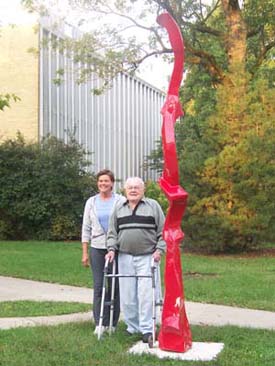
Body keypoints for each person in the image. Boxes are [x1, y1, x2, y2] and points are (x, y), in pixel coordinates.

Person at [105, 177, 166, 343]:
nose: (133, 190)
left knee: (146, 295)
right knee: (128, 296)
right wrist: (111, 249)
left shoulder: (153, 206)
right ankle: (133, 327)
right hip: (124, 256)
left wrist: (159, 250)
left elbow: (163, 231)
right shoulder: (119, 207)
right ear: (125, 190)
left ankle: (147, 329)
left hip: (148, 256)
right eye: (130, 187)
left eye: (136, 187)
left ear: (143, 190)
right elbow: (112, 233)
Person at [81, 169, 121, 335]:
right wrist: (85, 252)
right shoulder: (91, 202)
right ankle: (99, 323)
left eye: (106, 181)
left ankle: (112, 322)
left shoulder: (120, 200)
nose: (103, 184)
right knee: (99, 286)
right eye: (100, 181)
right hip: (97, 248)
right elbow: (86, 227)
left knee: (114, 286)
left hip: (116, 248)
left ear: (112, 183)